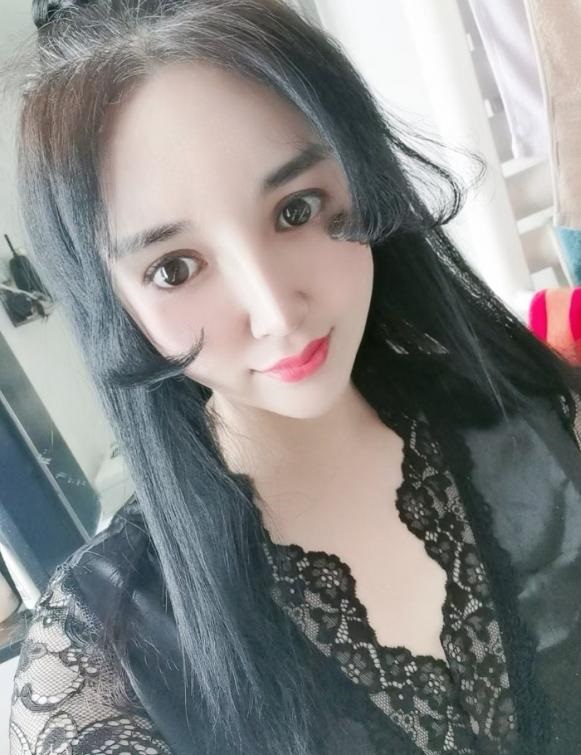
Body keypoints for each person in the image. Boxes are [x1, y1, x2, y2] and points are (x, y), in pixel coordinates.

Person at [6, 1, 581, 753]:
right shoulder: (100, 658)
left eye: (296, 209)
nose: (276, 311)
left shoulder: (542, 418)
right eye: (174, 268)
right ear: (112, 303)